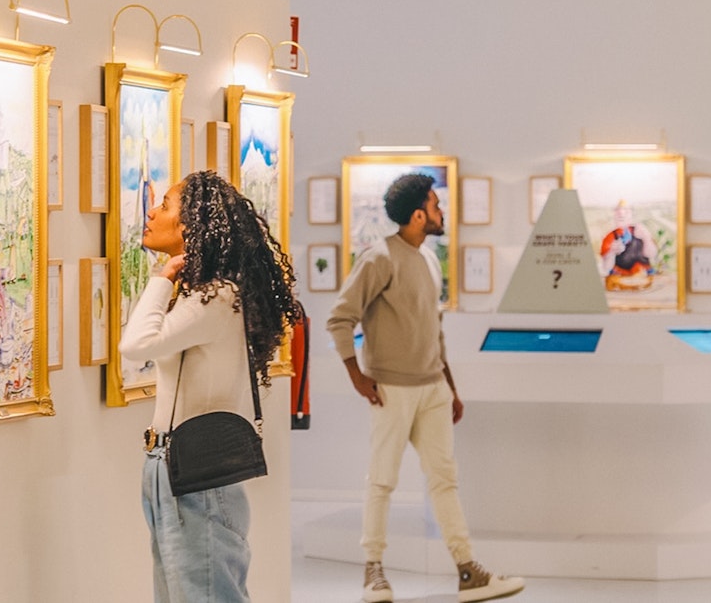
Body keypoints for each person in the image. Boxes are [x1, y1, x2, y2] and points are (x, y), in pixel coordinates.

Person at [326, 174, 525, 603]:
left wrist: (450, 387)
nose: (441, 213)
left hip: (433, 388)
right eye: (436, 206)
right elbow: (340, 318)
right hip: (391, 390)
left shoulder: (429, 259)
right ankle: (373, 572)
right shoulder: (379, 258)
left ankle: (468, 571)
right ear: (418, 215)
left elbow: (434, 331)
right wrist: (358, 377)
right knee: (382, 480)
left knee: (444, 480)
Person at [119, 170, 302, 603]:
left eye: (164, 205)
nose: (151, 211)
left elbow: (137, 344)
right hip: (168, 464)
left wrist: (163, 277)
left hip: (196, 471)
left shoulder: (217, 296)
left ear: (191, 225)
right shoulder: (202, 294)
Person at [600, 199, 657, 291]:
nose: (621, 214)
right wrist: (612, 252)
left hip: (643, 275)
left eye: (626, 211)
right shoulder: (610, 237)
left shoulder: (641, 230)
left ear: (631, 214)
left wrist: (646, 239)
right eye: (618, 211)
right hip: (620, 277)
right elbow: (606, 267)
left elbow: (652, 254)